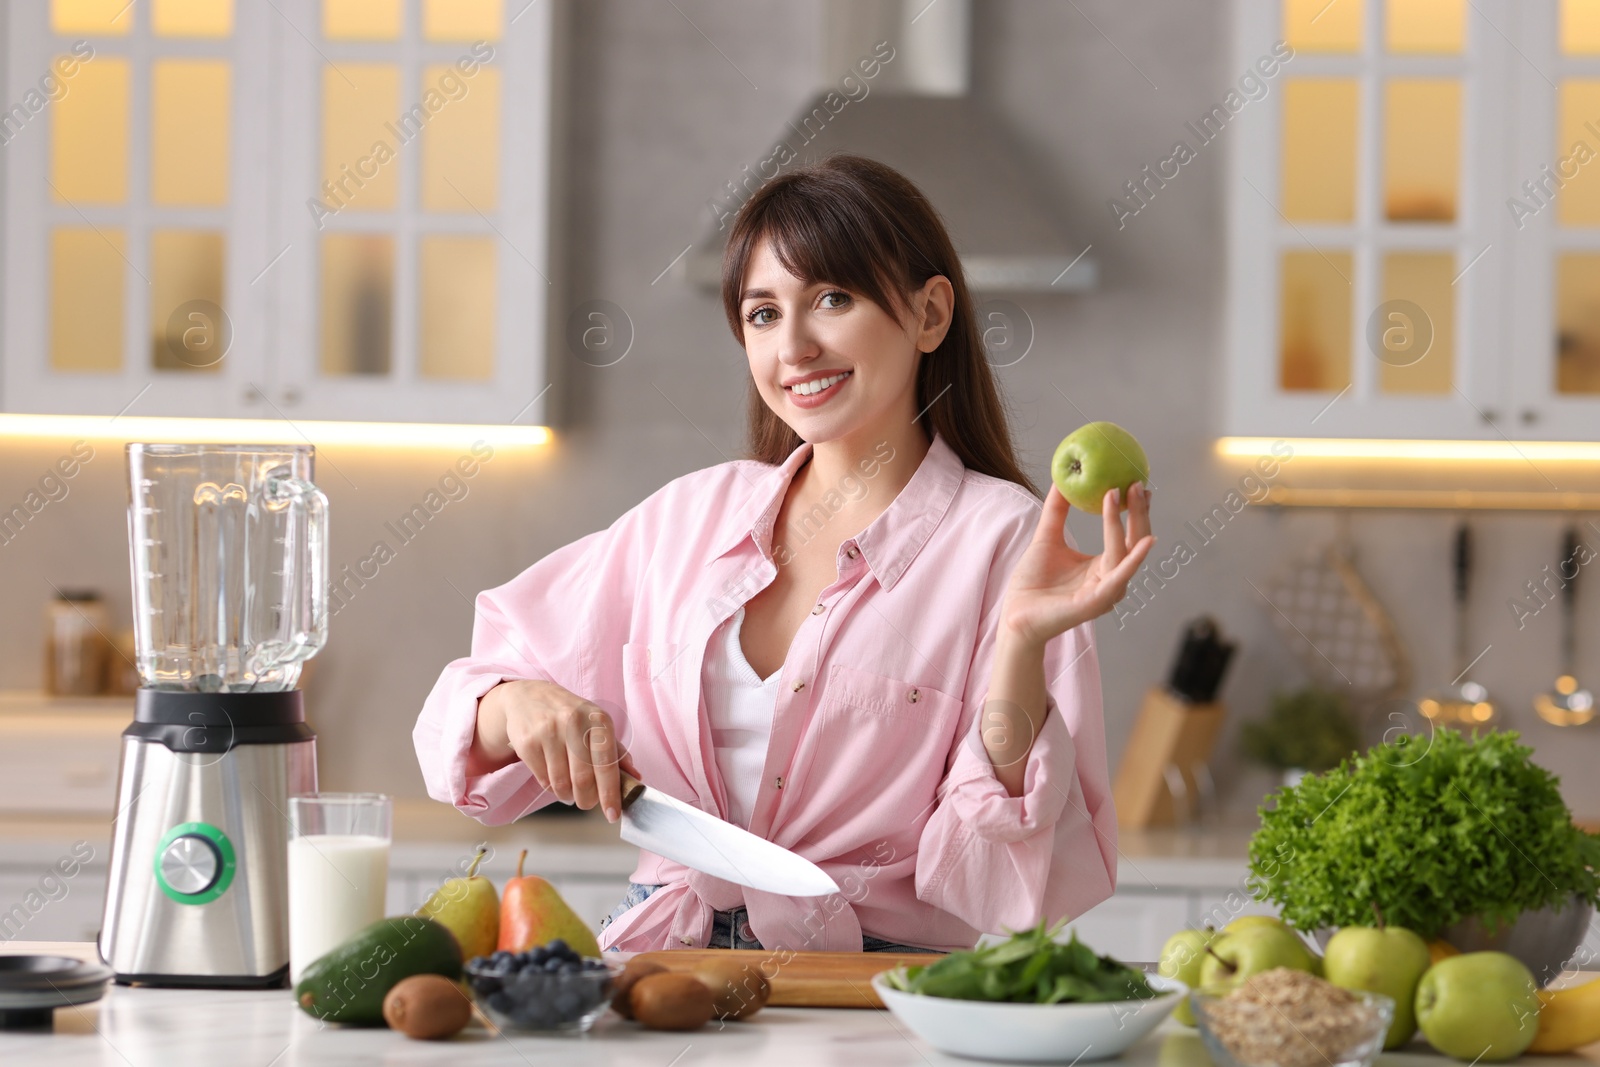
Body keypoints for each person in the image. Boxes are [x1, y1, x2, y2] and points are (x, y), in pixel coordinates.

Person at [414, 154, 1155, 954]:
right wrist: (517, 703)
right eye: (763, 313)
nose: (794, 346)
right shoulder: (687, 519)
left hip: (870, 989)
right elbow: (461, 716)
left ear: (930, 313)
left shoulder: (1005, 539)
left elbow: (1009, 882)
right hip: (665, 969)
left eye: (832, 298)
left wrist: (1019, 642)